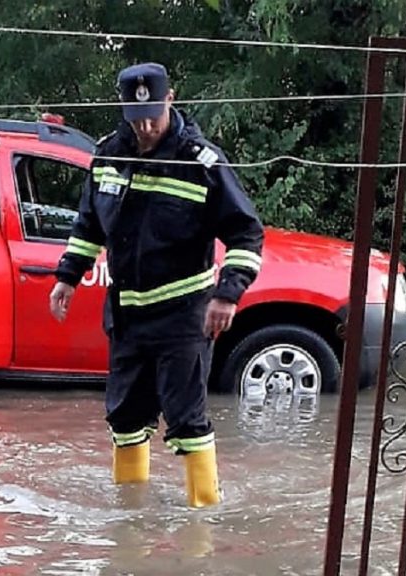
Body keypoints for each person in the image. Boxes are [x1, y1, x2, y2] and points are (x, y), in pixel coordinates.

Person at [49, 63, 264, 508]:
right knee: (125, 417)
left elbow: (247, 233)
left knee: (187, 421)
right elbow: (89, 224)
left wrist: (228, 294)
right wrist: (68, 276)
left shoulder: (202, 163)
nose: (145, 127)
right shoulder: (108, 155)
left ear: (170, 99)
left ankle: (203, 522)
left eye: (152, 115)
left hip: (184, 315)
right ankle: (131, 516)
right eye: (135, 117)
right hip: (128, 316)